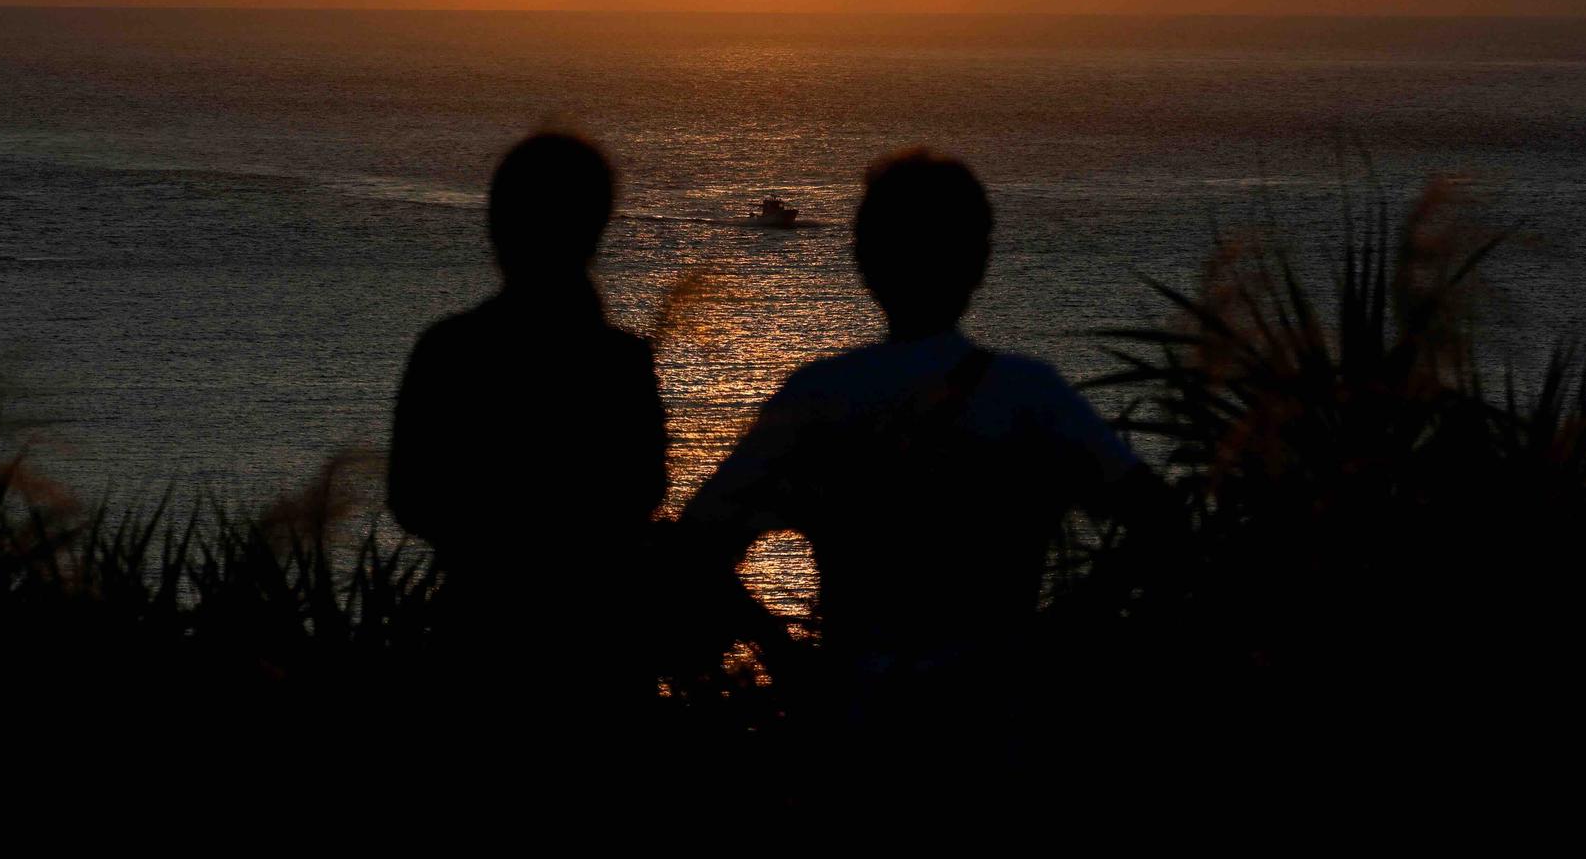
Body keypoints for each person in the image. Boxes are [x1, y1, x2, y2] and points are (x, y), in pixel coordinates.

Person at [683, 148, 1162, 742]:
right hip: (995, 731)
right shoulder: (1030, 395)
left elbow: (696, 540)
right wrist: (1057, 633)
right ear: (980, 261)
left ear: (864, 259)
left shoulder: (819, 396)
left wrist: (782, 653)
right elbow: (1160, 523)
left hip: (855, 732)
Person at [389, 131, 666, 712]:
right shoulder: (619, 362)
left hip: (478, 643)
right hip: (596, 655)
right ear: (594, 231)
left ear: (498, 227)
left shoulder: (448, 351)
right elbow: (642, 491)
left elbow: (410, 499)